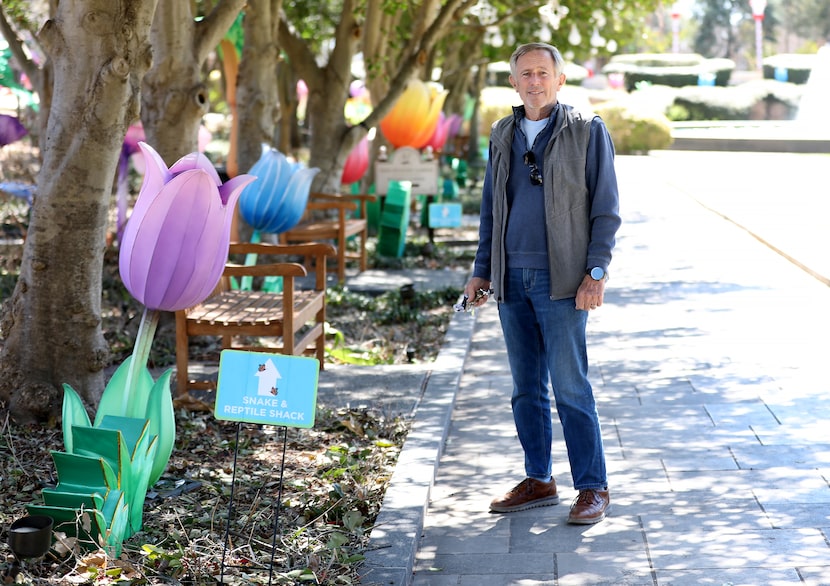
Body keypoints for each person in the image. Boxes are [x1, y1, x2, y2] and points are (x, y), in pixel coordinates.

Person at [463, 42, 621, 525]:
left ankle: (592, 487)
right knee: (525, 389)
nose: (534, 81)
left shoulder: (588, 132)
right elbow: (493, 207)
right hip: (511, 280)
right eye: (525, 74)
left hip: (563, 281)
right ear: (513, 82)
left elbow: (606, 209)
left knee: (571, 386)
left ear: (560, 79)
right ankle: (539, 479)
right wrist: (481, 269)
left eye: (542, 73)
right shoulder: (501, 132)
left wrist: (595, 272)